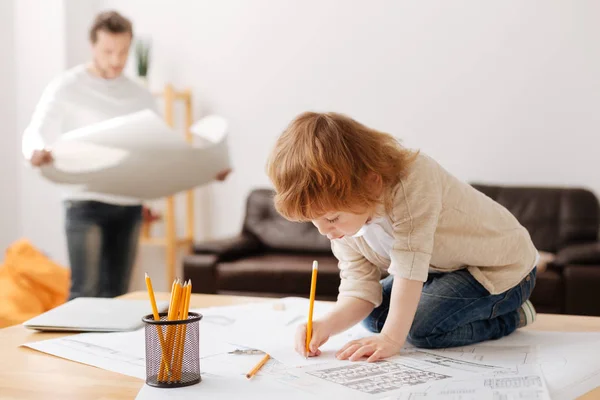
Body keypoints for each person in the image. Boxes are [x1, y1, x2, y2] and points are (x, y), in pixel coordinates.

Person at [266, 111, 538, 363]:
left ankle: (512, 316)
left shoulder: (415, 178)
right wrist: (326, 325)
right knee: (374, 316)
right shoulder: (344, 220)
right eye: (314, 221)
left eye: (332, 218)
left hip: (500, 269)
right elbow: (359, 288)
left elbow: (410, 264)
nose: (325, 231)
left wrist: (391, 339)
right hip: (439, 271)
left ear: (371, 183)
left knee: (421, 331)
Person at [22, 11, 230, 299]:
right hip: (84, 202)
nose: (116, 60)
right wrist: (35, 151)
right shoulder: (67, 86)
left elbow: (162, 149)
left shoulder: (139, 95)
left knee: (118, 294)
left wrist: (207, 167)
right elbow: (37, 130)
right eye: (108, 51)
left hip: (129, 207)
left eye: (123, 52)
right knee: (85, 292)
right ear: (92, 46)